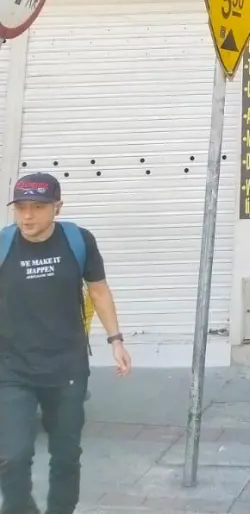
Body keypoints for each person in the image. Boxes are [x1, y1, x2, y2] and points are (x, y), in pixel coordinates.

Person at [0, 173, 131, 514]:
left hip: (67, 367)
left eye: (38, 207)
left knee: (66, 455)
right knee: (11, 456)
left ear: (58, 206)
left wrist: (116, 340)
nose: (28, 216)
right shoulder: (3, 244)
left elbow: (99, 290)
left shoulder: (78, 240)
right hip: (12, 367)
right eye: (22, 208)